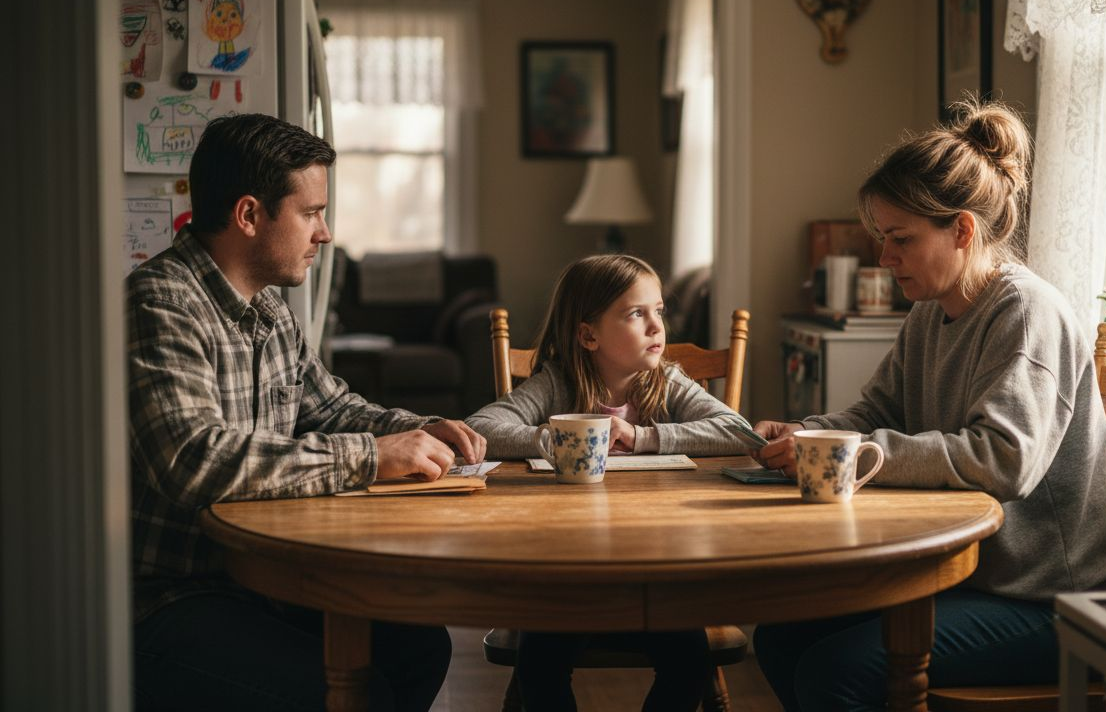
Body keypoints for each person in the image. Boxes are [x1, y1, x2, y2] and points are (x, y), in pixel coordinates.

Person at [749, 100, 1106, 711]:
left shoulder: (1028, 313)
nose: (884, 258)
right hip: (969, 578)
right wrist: (809, 434)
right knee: (782, 638)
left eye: (900, 240)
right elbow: (876, 413)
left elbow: (1004, 461)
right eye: (881, 240)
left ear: (963, 231)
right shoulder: (930, 312)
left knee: (834, 673)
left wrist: (859, 455)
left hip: (1046, 601)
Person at [128, 113, 486, 712]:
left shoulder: (270, 309)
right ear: (249, 215)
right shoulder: (161, 302)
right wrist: (372, 457)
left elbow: (332, 407)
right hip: (171, 598)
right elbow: (192, 459)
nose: (325, 234)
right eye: (312, 212)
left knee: (421, 648)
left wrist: (416, 429)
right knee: (357, 689)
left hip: (257, 580)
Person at [466, 253, 751, 712]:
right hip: (568, 574)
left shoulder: (665, 381)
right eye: (637, 313)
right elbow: (481, 428)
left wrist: (643, 436)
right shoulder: (556, 383)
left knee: (690, 662)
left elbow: (737, 430)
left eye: (659, 310)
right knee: (538, 665)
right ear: (588, 334)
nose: (657, 326)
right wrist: (554, 437)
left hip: (656, 571)